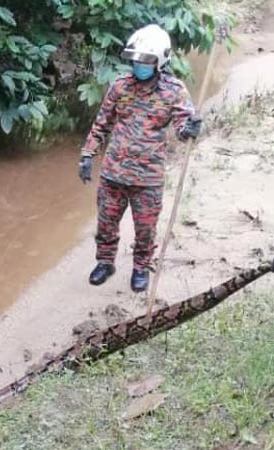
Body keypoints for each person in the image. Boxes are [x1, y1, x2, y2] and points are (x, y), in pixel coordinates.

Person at [78, 24, 202, 292]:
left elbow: (183, 128)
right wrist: (87, 154)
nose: (139, 65)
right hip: (113, 173)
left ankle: (140, 267)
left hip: (148, 178)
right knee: (106, 223)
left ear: (160, 61)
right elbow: (101, 123)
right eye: (135, 60)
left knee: (145, 229)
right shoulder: (120, 86)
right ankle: (105, 262)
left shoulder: (174, 91)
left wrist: (190, 129)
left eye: (146, 60)